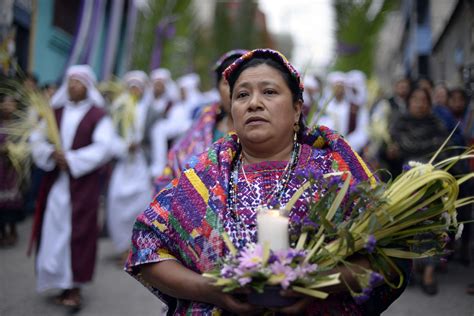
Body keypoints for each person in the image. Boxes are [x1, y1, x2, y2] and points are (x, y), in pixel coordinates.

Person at [125, 49, 409, 315]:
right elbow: (147, 249)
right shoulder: (204, 174)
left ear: (297, 109)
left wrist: (318, 283)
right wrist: (209, 290)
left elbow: (388, 257)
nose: (254, 103)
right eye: (242, 95)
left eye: (269, 92)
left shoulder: (335, 171)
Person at [28, 65, 115, 309]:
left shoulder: (98, 115)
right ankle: (57, 280)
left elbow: (104, 147)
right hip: (57, 186)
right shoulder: (54, 113)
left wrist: (73, 159)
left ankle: (74, 287)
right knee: (54, 233)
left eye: (78, 82)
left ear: (88, 86)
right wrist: (50, 154)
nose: (73, 86)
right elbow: (37, 140)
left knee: (78, 234)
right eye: (70, 81)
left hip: (82, 186)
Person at [153, 49, 247, 193]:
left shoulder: (260, 136)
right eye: (227, 82)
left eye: (242, 82)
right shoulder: (202, 126)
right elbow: (173, 169)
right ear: (217, 87)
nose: (235, 90)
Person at [389, 87, 449, 296]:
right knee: (409, 225)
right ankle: (411, 267)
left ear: (429, 103)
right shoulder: (399, 124)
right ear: (408, 102)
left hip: (432, 182)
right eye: (415, 99)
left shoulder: (437, 125)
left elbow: (441, 149)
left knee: (433, 223)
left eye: (424, 100)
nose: (420, 104)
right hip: (406, 184)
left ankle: (429, 272)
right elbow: (392, 151)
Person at [107, 70, 153, 263]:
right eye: (131, 86)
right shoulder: (118, 108)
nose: (135, 90)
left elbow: (155, 140)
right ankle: (122, 246)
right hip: (124, 165)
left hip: (142, 166)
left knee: (140, 204)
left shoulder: (151, 111)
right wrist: (126, 147)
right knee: (117, 202)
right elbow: (110, 139)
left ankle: (136, 248)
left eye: (138, 86)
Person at [0, 94, 25, 247]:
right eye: (5, 103)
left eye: (11, 104)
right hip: (1, 169)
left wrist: (15, 151)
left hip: (13, 169)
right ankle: (2, 233)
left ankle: (13, 230)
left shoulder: (20, 125)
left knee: (13, 200)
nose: (8, 106)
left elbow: (25, 145)